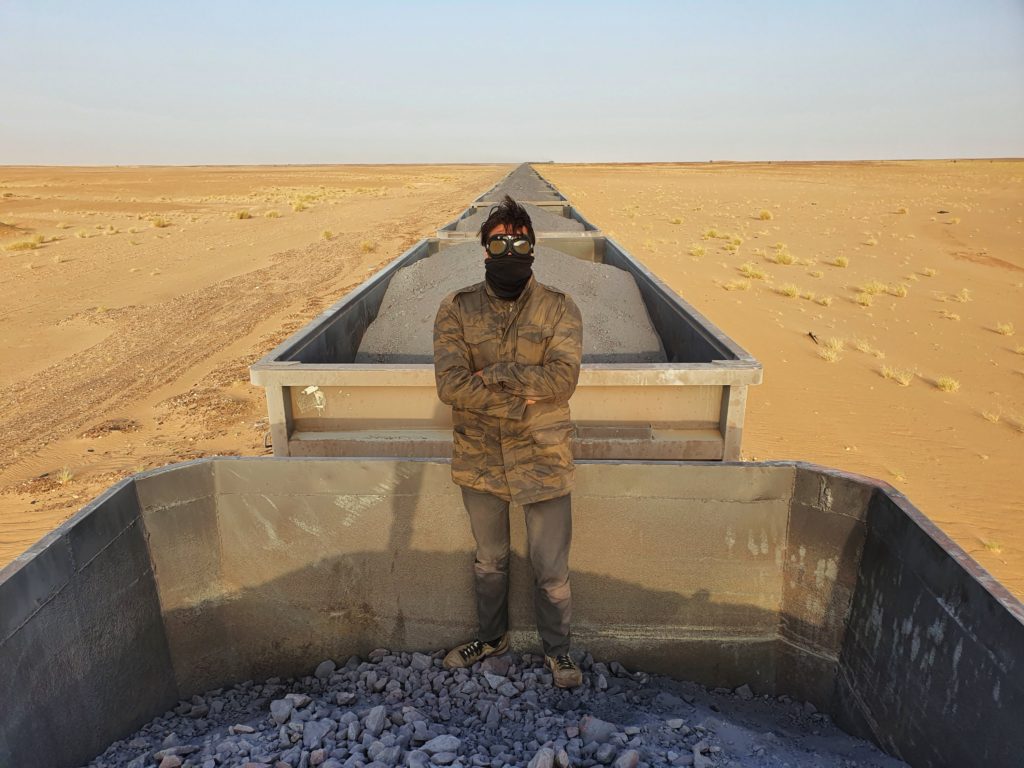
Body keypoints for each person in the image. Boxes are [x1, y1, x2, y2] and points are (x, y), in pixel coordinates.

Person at [432, 195, 584, 688]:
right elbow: (451, 385)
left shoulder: (559, 308)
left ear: (533, 247)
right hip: (480, 459)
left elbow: (562, 382)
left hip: (543, 459)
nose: (510, 247)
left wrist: (495, 374)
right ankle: (492, 638)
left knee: (551, 571)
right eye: (500, 240)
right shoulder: (456, 307)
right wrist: (522, 397)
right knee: (489, 560)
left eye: (519, 239)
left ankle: (557, 652)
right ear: (484, 249)